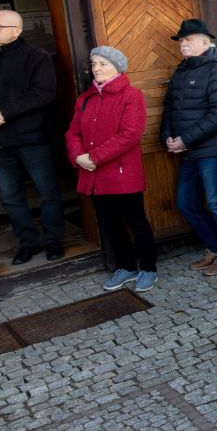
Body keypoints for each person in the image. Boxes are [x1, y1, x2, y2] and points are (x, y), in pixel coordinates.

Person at [0, 9, 65, 265]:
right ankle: (27, 244)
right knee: (10, 197)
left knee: (48, 193)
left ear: (17, 30)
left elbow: (43, 93)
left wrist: (4, 111)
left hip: (33, 139)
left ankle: (53, 242)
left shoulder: (37, 57)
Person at [65, 47, 155, 291]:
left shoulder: (131, 95)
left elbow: (130, 135)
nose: (96, 69)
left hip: (122, 173)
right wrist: (78, 157)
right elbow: (73, 132)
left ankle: (148, 268)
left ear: (117, 67)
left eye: (103, 64)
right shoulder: (85, 99)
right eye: (94, 64)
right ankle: (126, 267)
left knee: (136, 221)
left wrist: (93, 157)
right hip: (94, 174)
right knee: (109, 223)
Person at [161, 19, 217, 276]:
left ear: (206, 42)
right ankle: (215, 248)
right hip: (189, 151)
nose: (183, 44)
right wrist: (169, 136)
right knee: (186, 204)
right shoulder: (181, 70)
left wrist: (186, 139)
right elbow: (170, 108)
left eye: (189, 40)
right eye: (181, 40)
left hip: (213, 151)